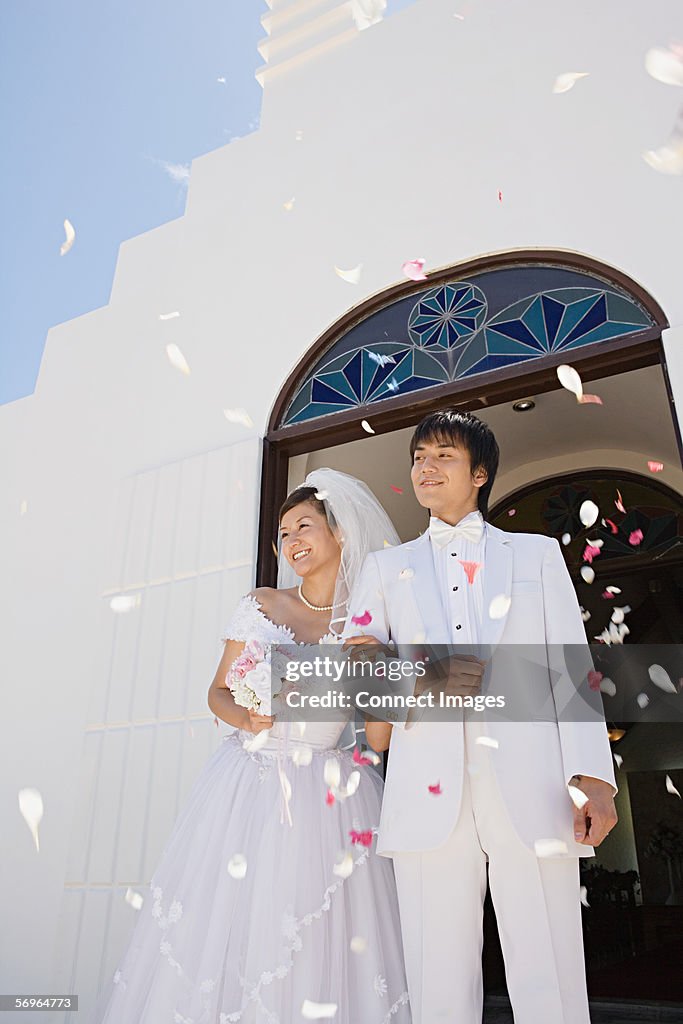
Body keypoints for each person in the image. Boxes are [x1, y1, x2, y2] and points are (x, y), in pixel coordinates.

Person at [93, 468, 410, 1024]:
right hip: (247, 784)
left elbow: (379, 740)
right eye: (282, 534)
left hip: (330, 796)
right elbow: (216, 692)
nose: (291, 543)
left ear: (340, 532)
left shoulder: (370, 621)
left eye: (303, 527)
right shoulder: (261, 605)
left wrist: (380, 673)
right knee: (230, 926)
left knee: (320, 934)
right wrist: (249, 716)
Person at [343, 409, 618, 1024]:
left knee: (550, 966)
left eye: (442, 454)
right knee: (435, 977)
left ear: (480, 472)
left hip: (535, 783)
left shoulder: (537, 555)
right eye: (418, 457)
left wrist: (594, 775)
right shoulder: (386, 569)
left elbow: (572, 668)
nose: (425, 466)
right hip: (425, 788)